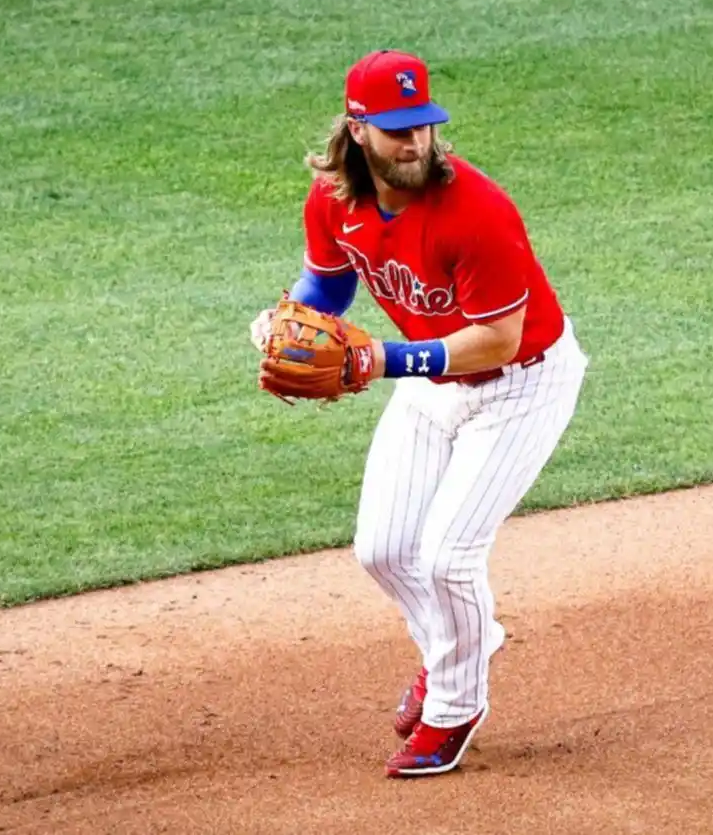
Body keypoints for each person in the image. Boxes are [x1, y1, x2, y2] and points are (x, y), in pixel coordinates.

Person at [249, 48, 589, 779]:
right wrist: (284, 319)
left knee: (448, 556)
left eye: (424, 127)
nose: (415, 143)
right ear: (359, 130)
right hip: (435, 378)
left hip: (521, 382)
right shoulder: (334, 199)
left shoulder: (479, 210)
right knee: (383, 549)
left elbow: (496, 338)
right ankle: (460, 644)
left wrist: (384, 360)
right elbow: (328, 288)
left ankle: (454, 706)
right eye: (398, 130)